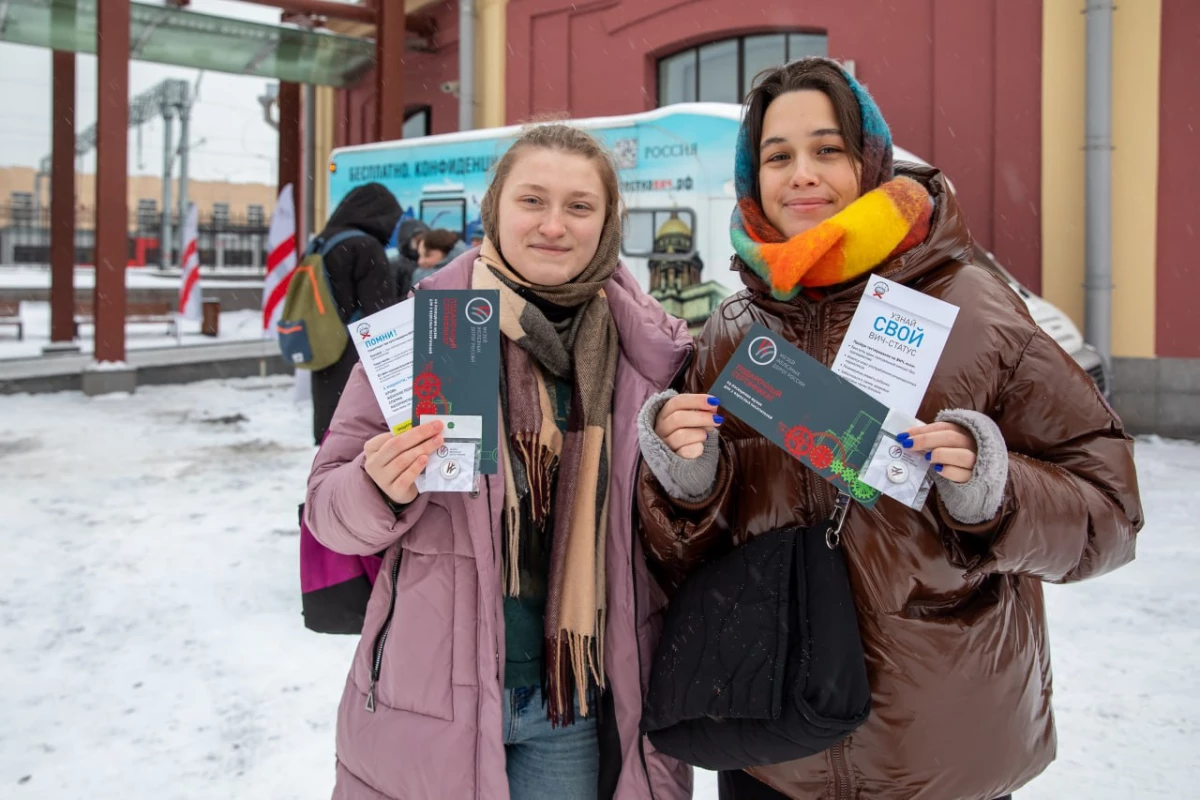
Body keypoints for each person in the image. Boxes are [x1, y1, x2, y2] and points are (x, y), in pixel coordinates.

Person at [636, 57, 1143, 800]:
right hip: (773, 748)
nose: (802, 174)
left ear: (870, 161)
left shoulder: (974, 306)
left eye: (827, 149)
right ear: (753, 180)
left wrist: (992, 493)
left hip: (939, 752)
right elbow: (689, 551)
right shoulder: (731, 330)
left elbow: (1111, 511)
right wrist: (687, 485)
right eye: (778, 156)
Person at [305, 124, 693, 799]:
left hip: (571, 701)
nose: (553, 224)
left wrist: (695, 472)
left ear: (605, 224)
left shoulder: (648, 355)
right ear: (495, 211)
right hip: (432, 697)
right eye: (532, 200)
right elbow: (326, 511)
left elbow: (680, 533)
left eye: (579, 206)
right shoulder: (425, 329)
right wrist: (375, 487)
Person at [309, 182, 403, 445]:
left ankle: (329, 456)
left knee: (331, 419)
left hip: (325, 341)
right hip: (358, 350)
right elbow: (381, 311)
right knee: (357, 427)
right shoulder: (365, 247)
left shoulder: (323, 241)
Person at [391, 217, 429, 299]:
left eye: (426, 240)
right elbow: (389, 299)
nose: (423, 244)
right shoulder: (396, 265)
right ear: (406, 241)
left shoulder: (432, 262)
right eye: (418, 241)